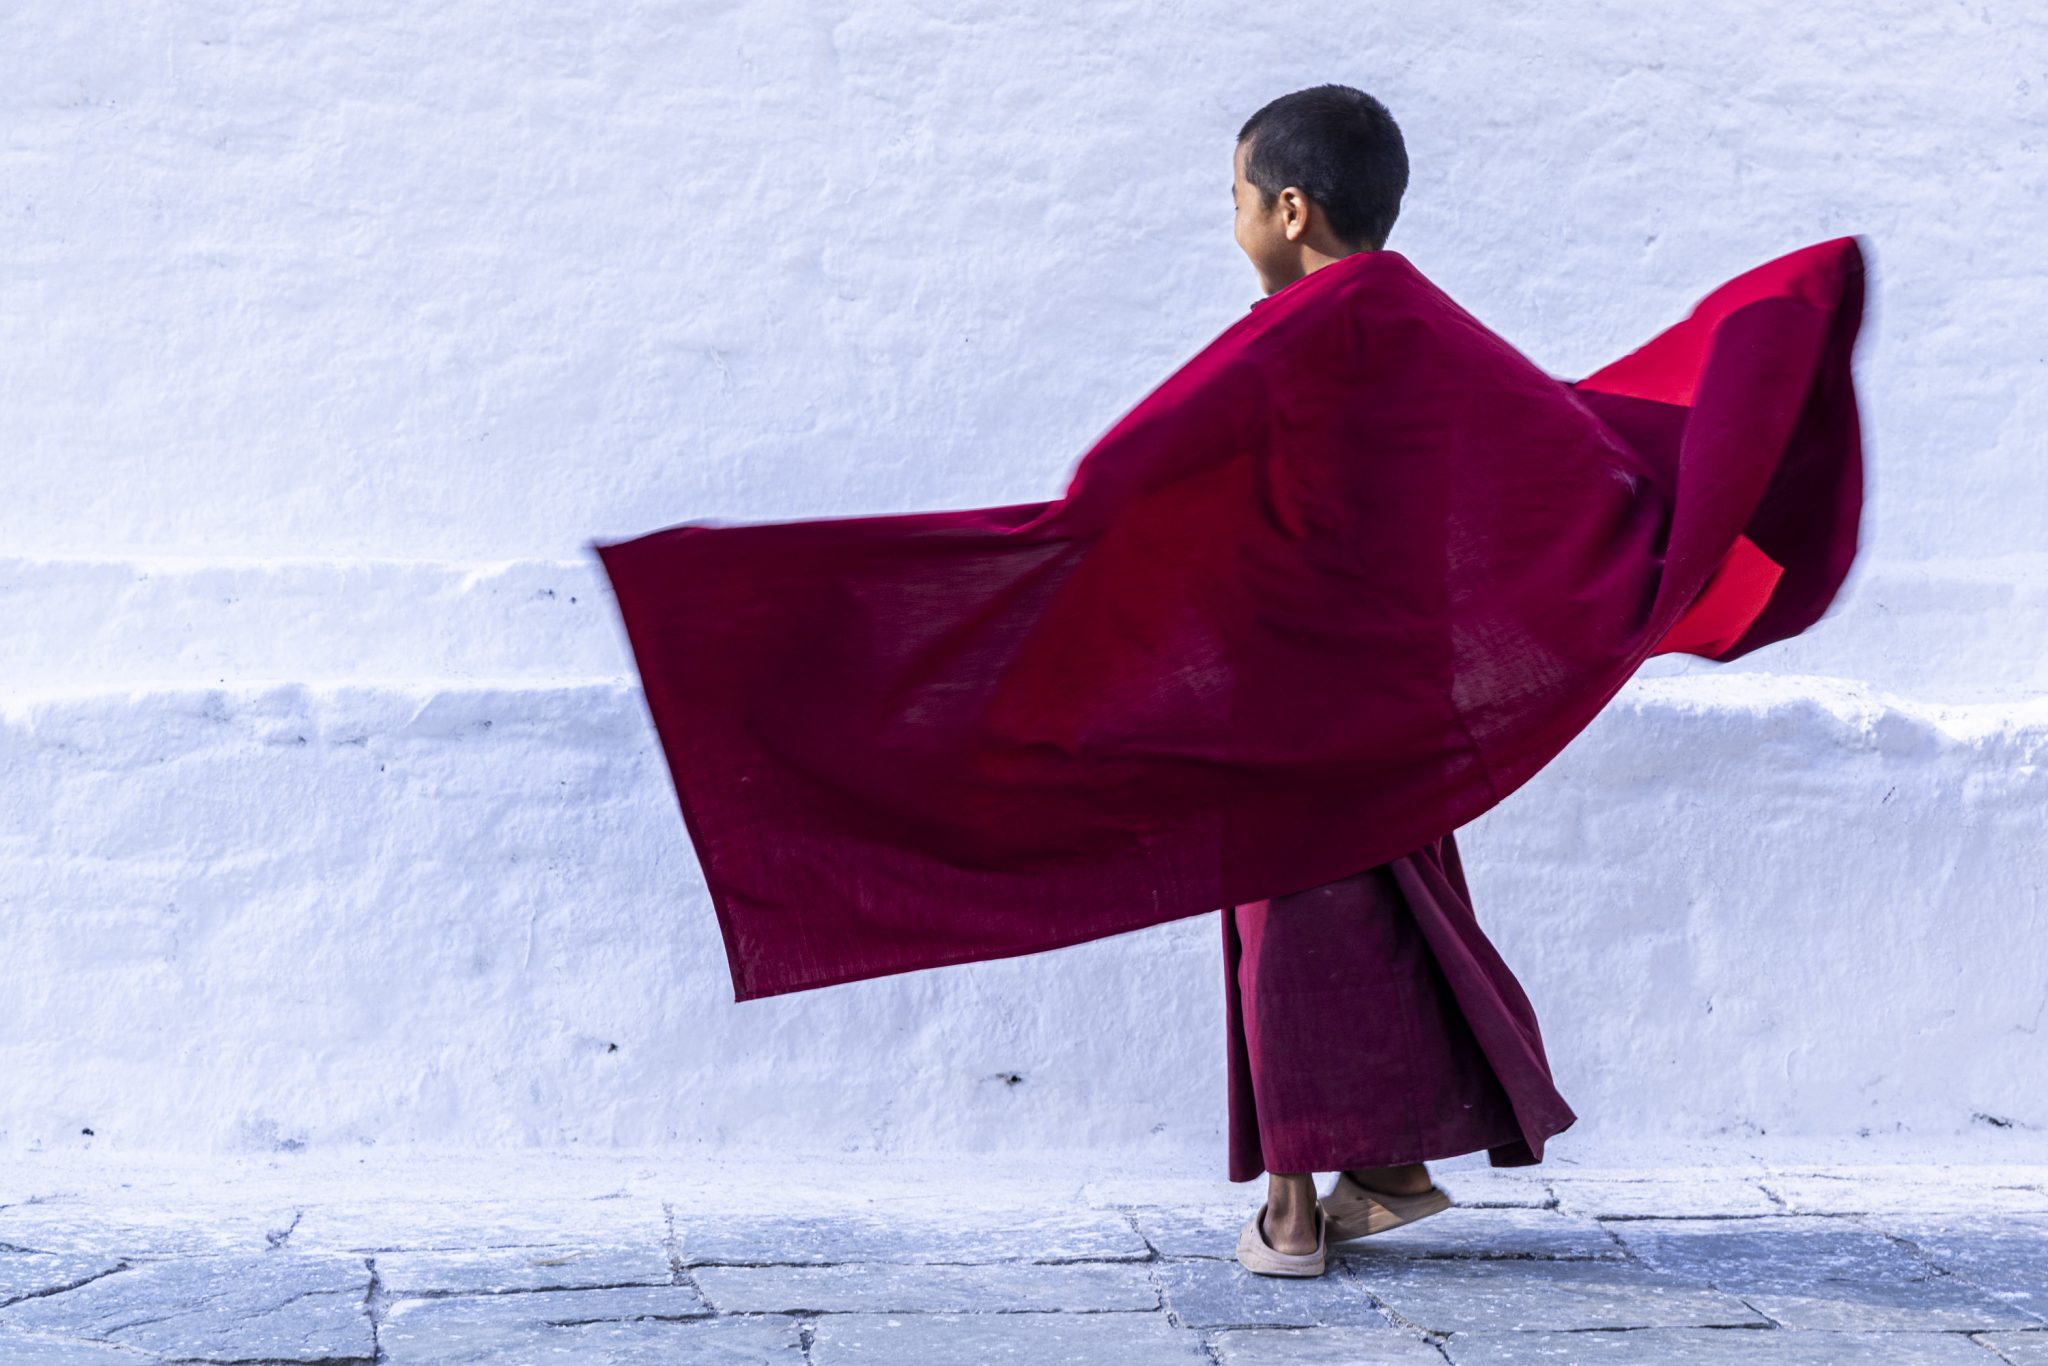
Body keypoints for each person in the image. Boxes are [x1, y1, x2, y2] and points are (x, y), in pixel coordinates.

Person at [1221, 85, 1576, 1279]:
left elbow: (1201, 498)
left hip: (1291, 691)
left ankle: (1288, 1209)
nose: (1231, 221)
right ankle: (1389, 1169)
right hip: (1395, 686)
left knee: (1278, 934)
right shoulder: (1428, 327)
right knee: (1375, 915)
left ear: (1288, 208)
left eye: (1234, 197)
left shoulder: (1283, 339)